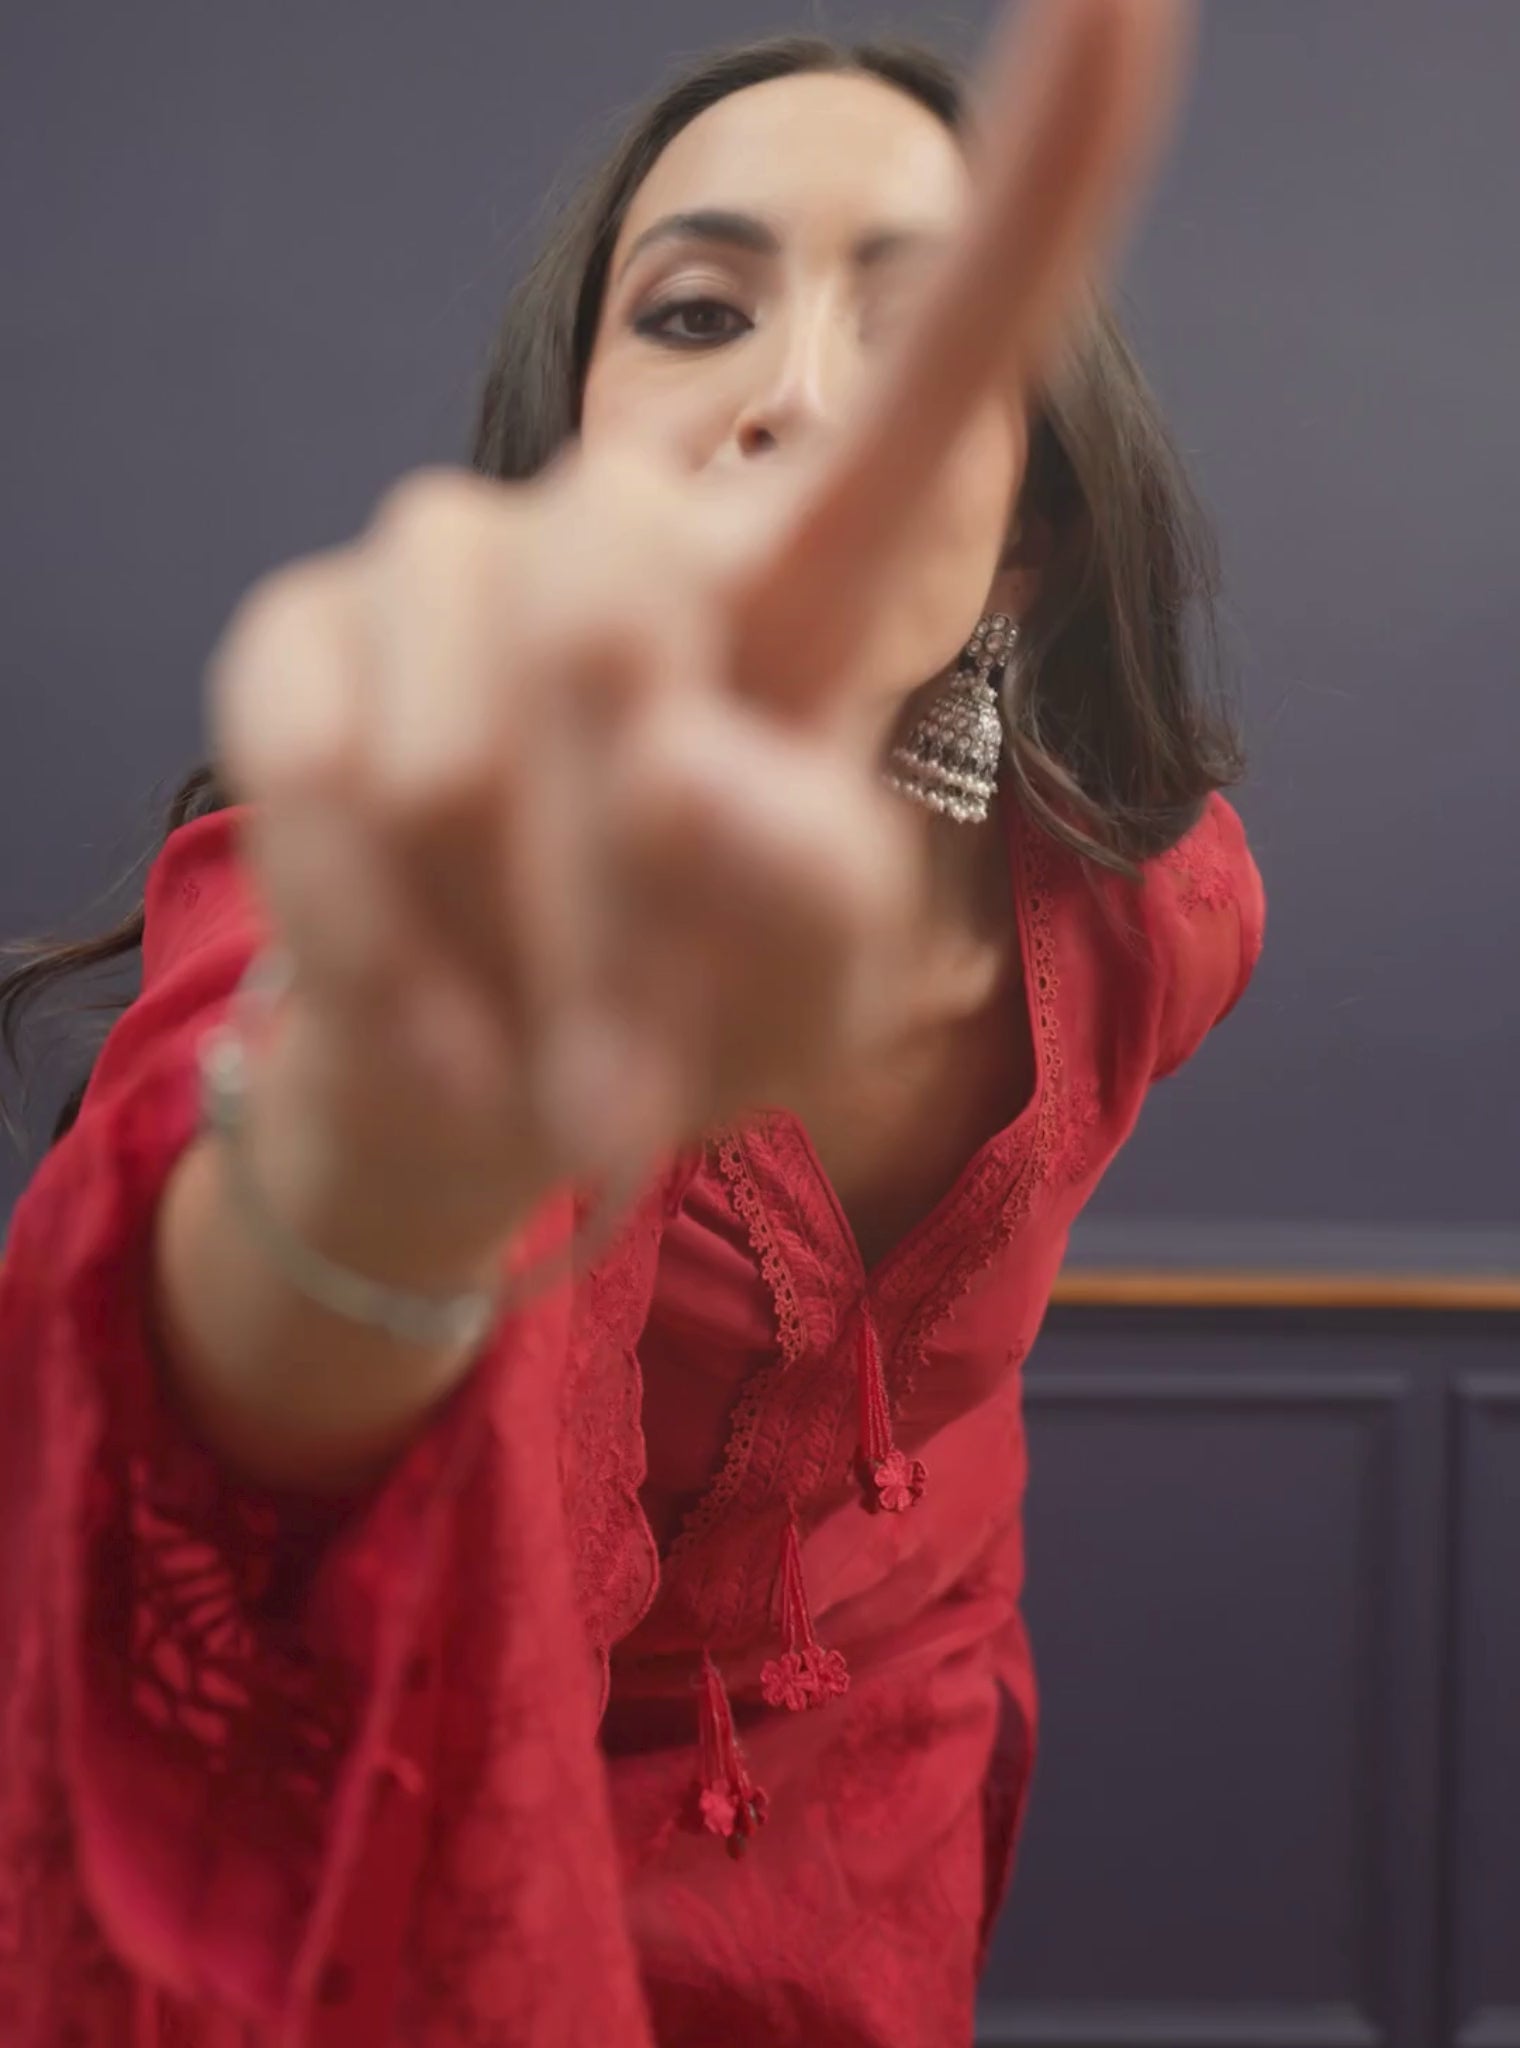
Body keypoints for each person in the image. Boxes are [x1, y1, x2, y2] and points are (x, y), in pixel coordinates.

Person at [0, 1, 1265, 2041]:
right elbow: (199, 1374)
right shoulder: (399, 885)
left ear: (1028, 535)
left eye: (915, 330)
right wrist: (392, 1156)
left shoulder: (1158, 917)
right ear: (575, 457)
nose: (797, 399)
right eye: (695, 315)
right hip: (431, 1857)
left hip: (873, 1834)